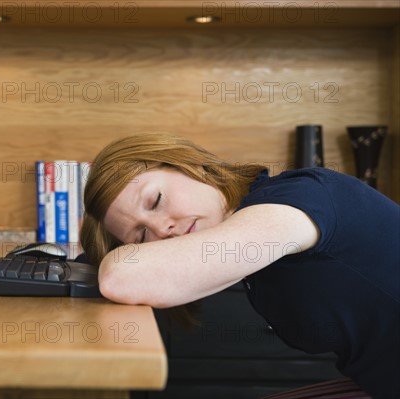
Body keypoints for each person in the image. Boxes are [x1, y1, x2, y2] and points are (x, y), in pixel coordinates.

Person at [80, 132, 399, 398]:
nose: (163, 229)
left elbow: (120, 277)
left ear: (190, 165)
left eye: (155, 201)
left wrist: (123, 258)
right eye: (141, 234)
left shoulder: (297, 200)